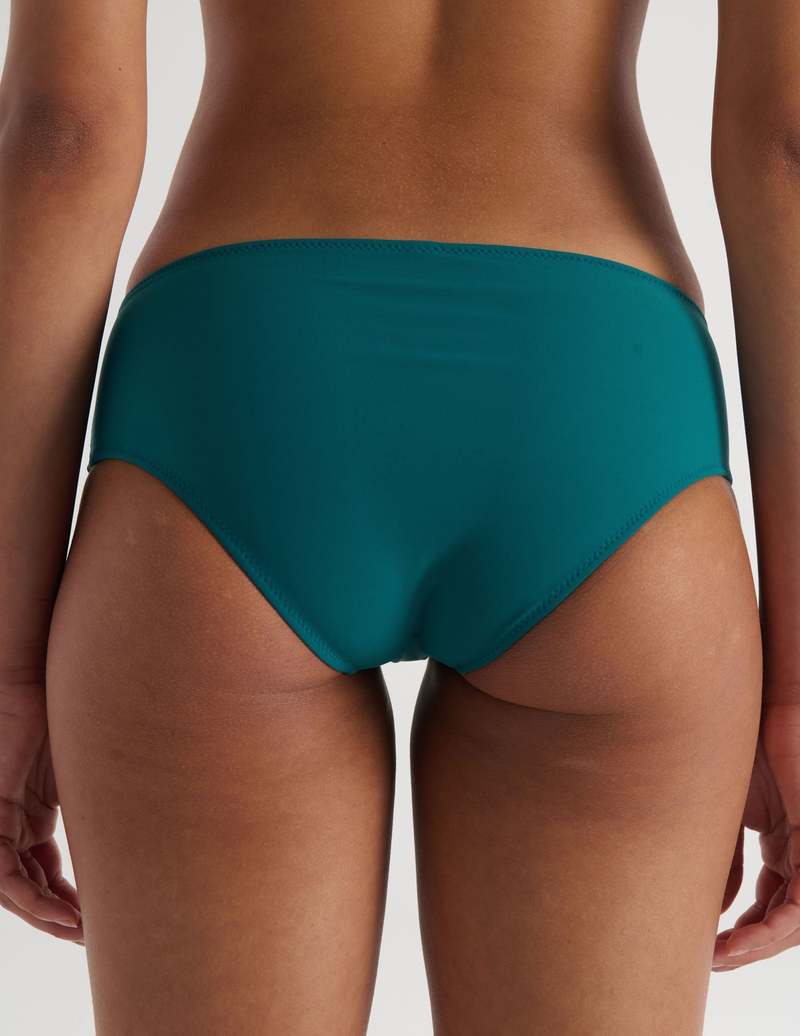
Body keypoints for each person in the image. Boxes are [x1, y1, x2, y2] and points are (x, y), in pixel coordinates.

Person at [0, 1, 797, 1032]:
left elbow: (63, 134)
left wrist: (9, 667)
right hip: (594, 388)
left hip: (242, 380)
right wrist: (795, 687)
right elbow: (787, 144)